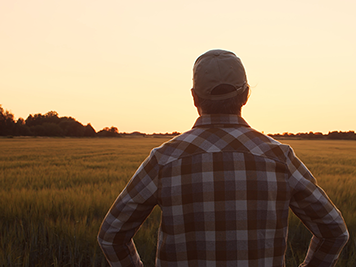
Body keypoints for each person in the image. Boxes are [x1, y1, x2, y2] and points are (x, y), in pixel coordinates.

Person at [98, 49, 349, 267]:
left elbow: (111, 236)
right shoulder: (280, 159)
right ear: (246, 95)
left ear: (194, 97)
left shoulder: (164, 160)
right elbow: (334, 232)